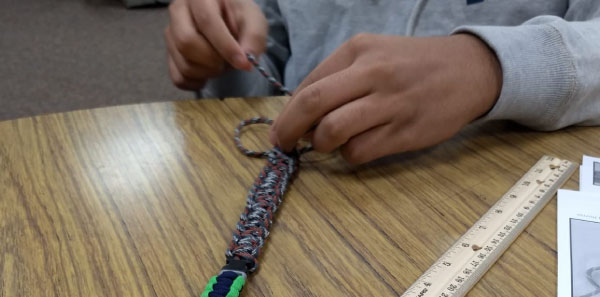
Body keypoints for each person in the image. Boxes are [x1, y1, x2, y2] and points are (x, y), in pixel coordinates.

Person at [164, 0, 600, 164]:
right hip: (314, 184)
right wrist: (224, 49)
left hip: (489, 184)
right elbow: (271, 47)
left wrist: (490, 64)